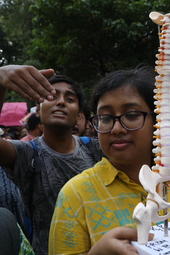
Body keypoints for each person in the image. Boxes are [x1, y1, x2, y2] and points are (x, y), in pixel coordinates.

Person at [49, 67, 170, 255]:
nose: (117, 128)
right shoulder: (75, 194)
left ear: (159, 121)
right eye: (106, 117)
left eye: (132, 115)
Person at [0, 65, 103, 255]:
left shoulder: (96, 149)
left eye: (70, 99)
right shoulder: (26, 153)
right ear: (38, 111)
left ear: (80, 115)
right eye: (52, 96)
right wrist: (0, 80)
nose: (61, 102)